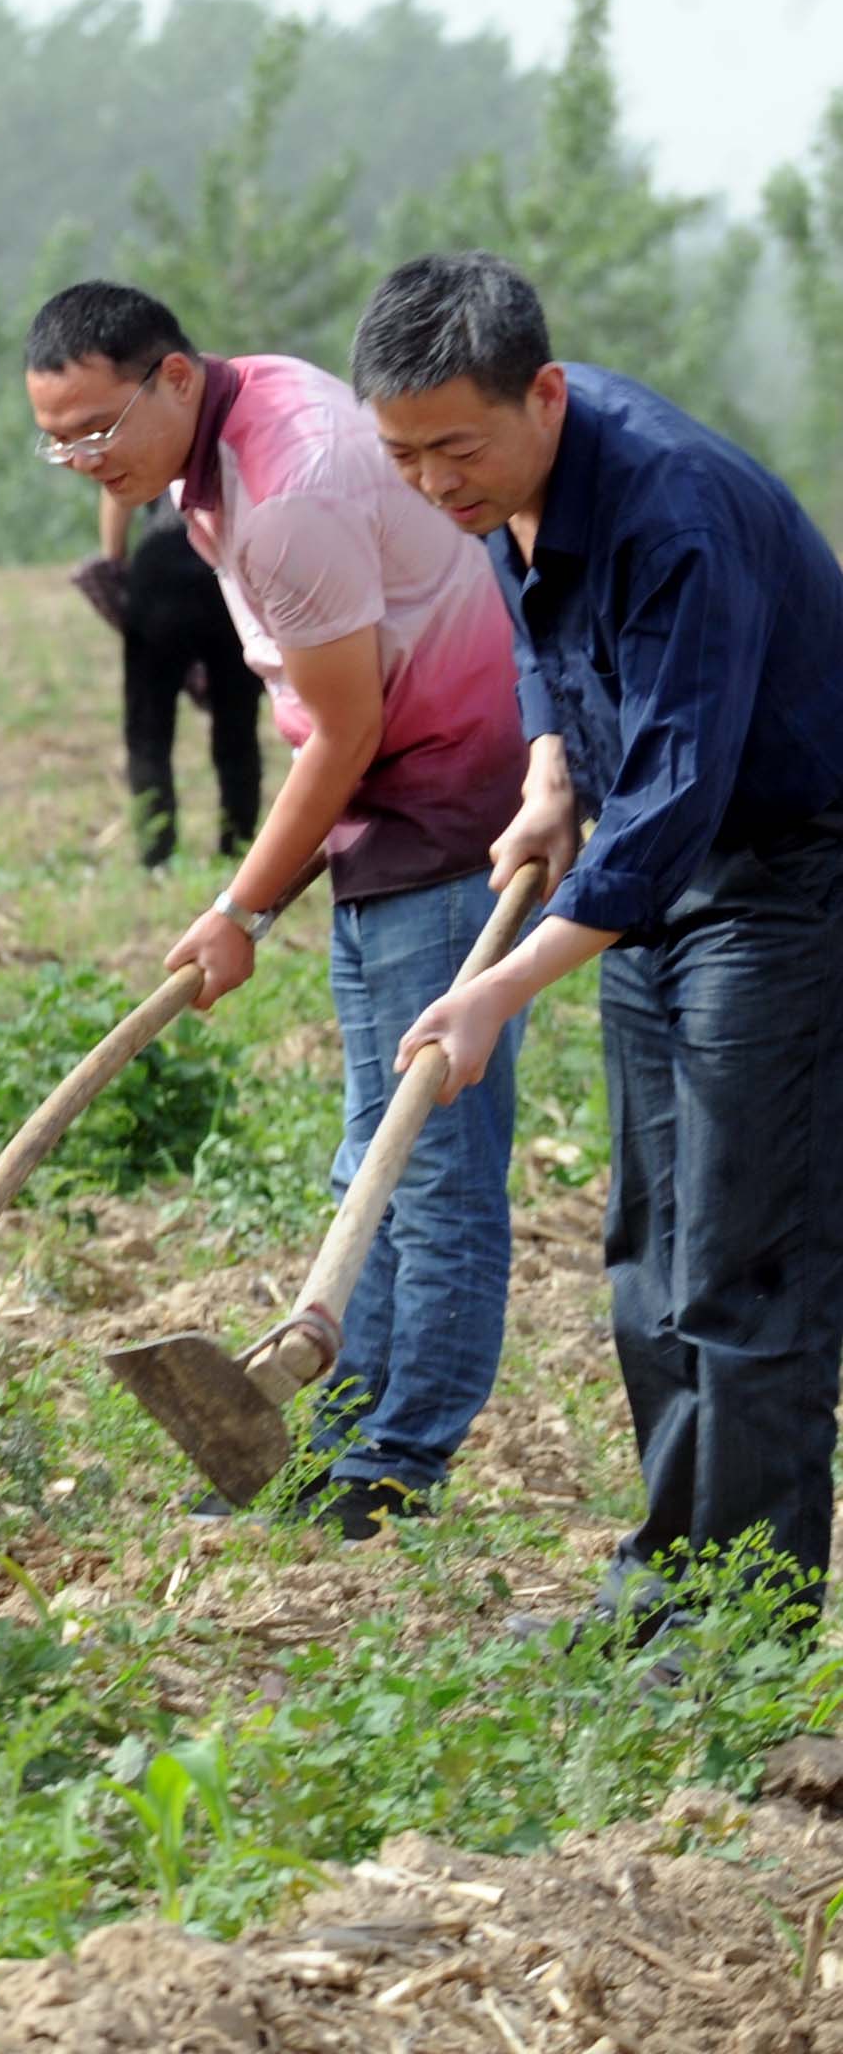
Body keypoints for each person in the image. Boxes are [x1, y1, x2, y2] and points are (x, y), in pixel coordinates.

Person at [363, 251, 843, 1638]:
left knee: (744, 1260)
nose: (436, 483)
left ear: (546, 393)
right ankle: (664, 1589)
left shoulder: (669, 507)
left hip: (778, 873)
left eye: (458, 446)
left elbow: (684, 798)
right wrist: (550, 771)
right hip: (649, 873)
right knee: (652, 1243)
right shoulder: (509, 493)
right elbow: (542, 639)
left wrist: (499, 989)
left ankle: (744, 1628)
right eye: (404, 455)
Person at [26, 280, 532, 1538]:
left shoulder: (287, 489)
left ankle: (393, 1466)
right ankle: (341, 1438)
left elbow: (346, 725)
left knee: (431, 1167)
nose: (90, 459)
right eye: (62, 442)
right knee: (377, 1157)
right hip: (388, 810)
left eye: (100, 427)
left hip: (445, 809)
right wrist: (255, 899)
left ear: (177, 377)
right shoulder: (231, 436)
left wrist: (239, 910)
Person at [70, 500, 265, 868]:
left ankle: (157, 854)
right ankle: (238, 847)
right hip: (223, 564)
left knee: (148, 730)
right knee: (237, 724)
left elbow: (116, 495)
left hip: (158, 567)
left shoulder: (155, 441)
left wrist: (115, 559)